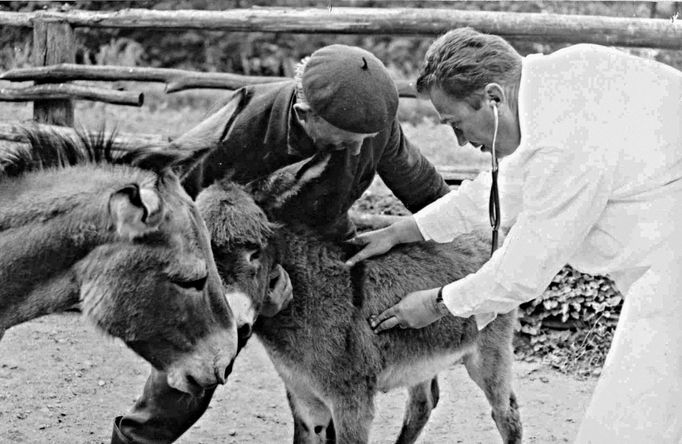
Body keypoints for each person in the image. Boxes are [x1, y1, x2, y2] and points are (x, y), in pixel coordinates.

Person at [346, 28, 682, 443]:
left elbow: (525, 266)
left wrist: (438, 303)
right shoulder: (552, 88)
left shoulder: (566, 140)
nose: (462, 142)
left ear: (492, 98)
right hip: (663, 264)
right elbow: (502, 190)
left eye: (456, 124)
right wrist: (405, 230)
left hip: (672, 270)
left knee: (632, 419)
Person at [110, 44, 451, 443]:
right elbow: (169, 202)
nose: (358, 151)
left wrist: (484, 243)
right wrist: (232, 292)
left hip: (318, 263)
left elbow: (429, 195)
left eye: (366, 140)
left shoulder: (371, 125)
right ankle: (137, 439)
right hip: (233, 265)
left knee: (320, 378)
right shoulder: (240, 123)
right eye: (344, 142)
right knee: (194, 369)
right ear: (305, 115)